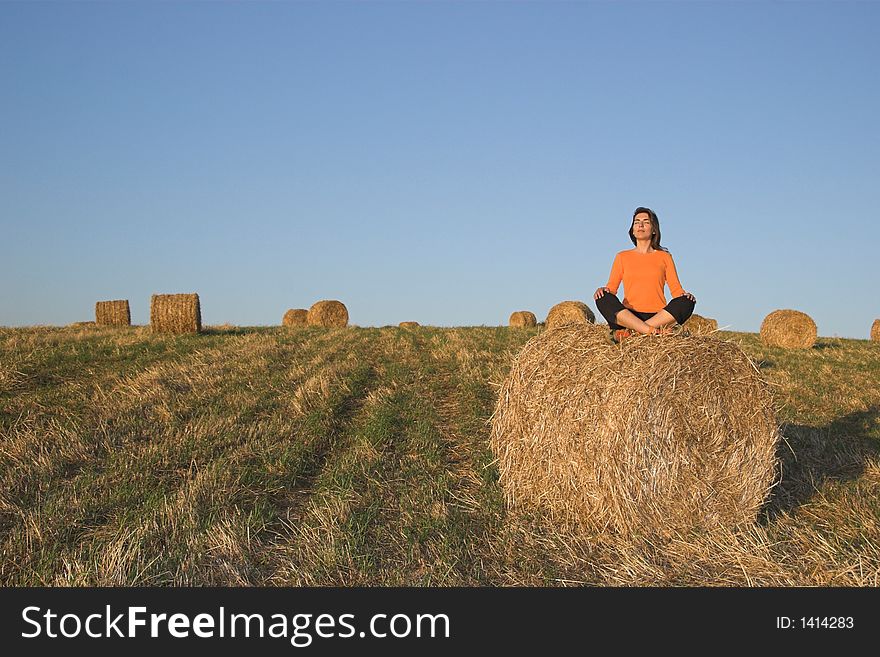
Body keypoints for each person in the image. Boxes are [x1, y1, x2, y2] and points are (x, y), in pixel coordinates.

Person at [594, 207, 696, 342]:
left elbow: (676, 290)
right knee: (602, 297)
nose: (640, 225)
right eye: (636, 222)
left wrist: (685, 296)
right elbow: (611, 288)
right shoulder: (622, 256)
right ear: (633, 230)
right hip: (628, 316)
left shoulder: (664, 257)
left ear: (654, 229)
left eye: (646, 222)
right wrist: (603, 290)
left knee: (688, 301)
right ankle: (649, 331)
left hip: (658, 316)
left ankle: (633, 333)